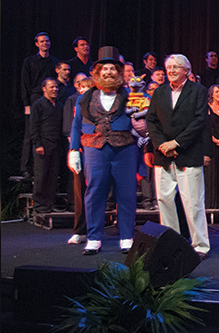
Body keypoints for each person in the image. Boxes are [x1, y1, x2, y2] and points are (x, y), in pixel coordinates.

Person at [67, 47, 138, 255]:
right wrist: (73, 150)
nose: (108, 72)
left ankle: (126, 236)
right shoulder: (87, 97)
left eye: (112, 68)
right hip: (95, 149)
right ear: (97, 72)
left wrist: (143, 135)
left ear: (119, 72)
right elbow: (76, 123)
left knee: (126, 194)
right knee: (94, 193)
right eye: (104, 68)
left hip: (125, 149)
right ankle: (94, 237)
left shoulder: (131, 95)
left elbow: (143, 118)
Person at [146, 54, 212, 260]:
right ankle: (170, 242)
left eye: (176, 67)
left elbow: (200, 121)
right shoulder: (159, 92)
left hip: (188, 154)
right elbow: (151, 120)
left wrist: (177, 143)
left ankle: (200, 245)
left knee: (192, 202)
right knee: (164, 200)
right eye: (168, 67)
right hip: (163, 156)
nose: (171, 71)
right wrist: (162, 146)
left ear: (187, 70)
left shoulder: (198, 91)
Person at [21, 32, 58, 178]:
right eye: (42, 41)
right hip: (35, 97)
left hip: (50, 99)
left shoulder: (54, 61)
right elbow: (24, 83)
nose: (45, 44)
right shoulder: (29, 61)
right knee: (30, 133)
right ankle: (25, 167)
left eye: (47, 41)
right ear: (37, 44)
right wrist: (26, 104)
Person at [64, 75, 93, 244]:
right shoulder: (78, 101)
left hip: (98, 150)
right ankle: (80, 230)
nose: (84, 91)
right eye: (82, 87)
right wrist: (73, 149)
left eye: (87, 87)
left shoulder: (101, 99)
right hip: (82, 150)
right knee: (79, 189)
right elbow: (74, 126)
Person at [30, 78, 63, 213]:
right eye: (51, 87)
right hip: (43, 145)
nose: (55, 89)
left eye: (56, 87)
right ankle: (39, 205)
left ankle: (49, 204)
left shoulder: (59, 105)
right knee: (41, 176)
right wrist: (38, 144)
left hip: (56, 145)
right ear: (44, 89)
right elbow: (34, 126)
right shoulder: (38, 105)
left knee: (53, 176)